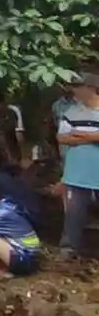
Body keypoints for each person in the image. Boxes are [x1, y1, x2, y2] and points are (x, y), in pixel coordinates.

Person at [57, 72, 99, 259]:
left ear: (90, 88)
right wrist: (93, 137)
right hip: (76, 173)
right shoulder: (71, 112)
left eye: (78, 87)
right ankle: (68, 250)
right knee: (73, 214)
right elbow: (62, 138)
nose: (74, 91)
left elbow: (72, 136)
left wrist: (80, 135)